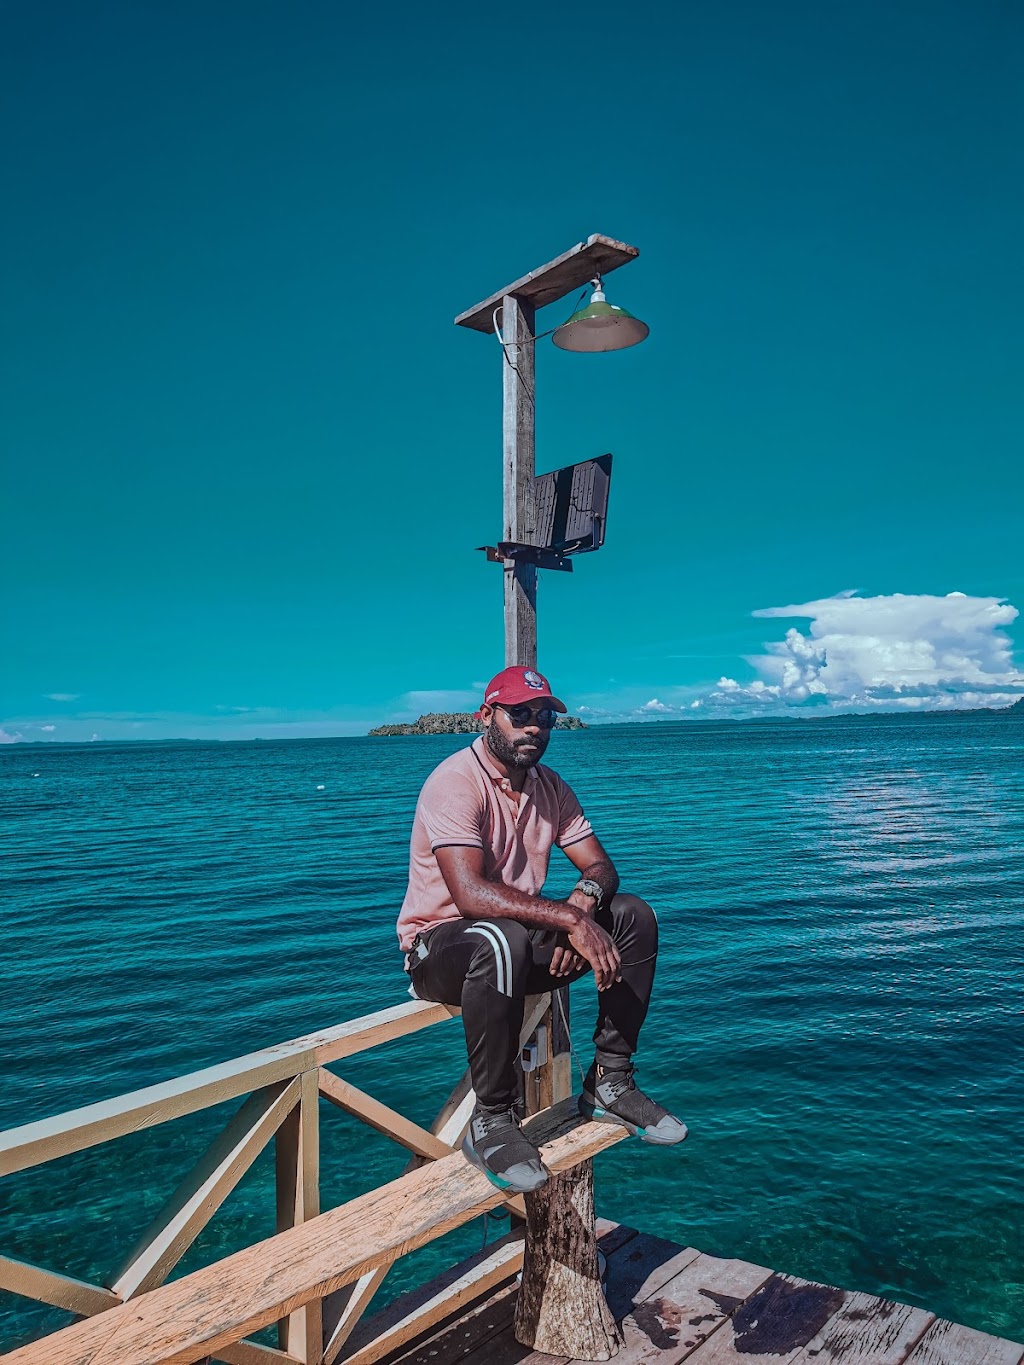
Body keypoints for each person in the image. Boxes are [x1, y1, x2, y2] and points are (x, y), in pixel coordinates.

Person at [397, 666, 687, 1194]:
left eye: (545, 717)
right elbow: (470, 895)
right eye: (520, 714)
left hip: (513, 941)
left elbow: (600, 867)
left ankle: (610, 1082)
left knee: (632, 916)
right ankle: (492, 1118)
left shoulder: (550, 787)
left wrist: (583, 902)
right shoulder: (455, 781)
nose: (534, 725)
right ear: (487, 716)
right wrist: (569, 919)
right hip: (440, 949)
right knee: (499, 937)